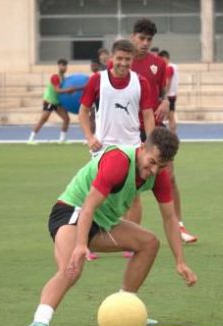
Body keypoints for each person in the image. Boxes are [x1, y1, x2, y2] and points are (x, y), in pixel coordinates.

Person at [22, 128, 197, 326]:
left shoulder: (158, 175)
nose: (153, 170)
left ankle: (125, 308)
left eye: (160, 166)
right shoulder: (118, 161)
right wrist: (80, 244)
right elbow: (87, 206)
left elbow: (170, 218)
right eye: (151, 162)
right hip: (72, 211)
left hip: (102, 221)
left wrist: (180, 261)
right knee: (71, 268)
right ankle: (39, 322)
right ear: (142, 148)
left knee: (149, 243)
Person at [79, 39, 155, 261]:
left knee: (133, 198)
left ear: (133, 60)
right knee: (96, 196)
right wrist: (89, 137)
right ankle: (88, 242)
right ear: (111, 58)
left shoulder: (141, 82)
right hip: (103, 148)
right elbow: (83, 112)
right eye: (119, 58)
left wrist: (149, 145)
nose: (123, 63)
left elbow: (149, 115)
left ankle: (131, 243)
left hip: (133, 147)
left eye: (127, 59)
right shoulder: (97, 80)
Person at [128, 18, 198, 244]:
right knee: (130, 185)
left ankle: (178, 225)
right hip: (128, 130)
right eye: (142, 38)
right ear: (133, 37)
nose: (145, 43)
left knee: (169, 177)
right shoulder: (122, 62)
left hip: (154, 128)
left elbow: (162, 93)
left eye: (149, 39)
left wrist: (166, 101)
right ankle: (128, 234)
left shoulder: (158, 64)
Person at [28, 59, 76, 144]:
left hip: (57, 102)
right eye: (62, 65)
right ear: (58, 66)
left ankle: (62, 139)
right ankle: (31, 139)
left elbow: (63, 91)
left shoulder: (64, 78)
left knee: (66, 119)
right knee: (44, 119)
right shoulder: (55, 77)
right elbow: (57, 90)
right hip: (50, 101)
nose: (64, 67)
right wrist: (68, 90)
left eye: (65, 65)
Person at [158, 50, 179, 134]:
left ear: (165, 58)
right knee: (170, 116)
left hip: (169, 96)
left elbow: (168, 82)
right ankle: (172, 134)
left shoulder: (169, 68)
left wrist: (164, 95)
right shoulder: (174, 67)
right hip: (173, 94)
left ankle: (172, 134)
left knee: (170, 117)